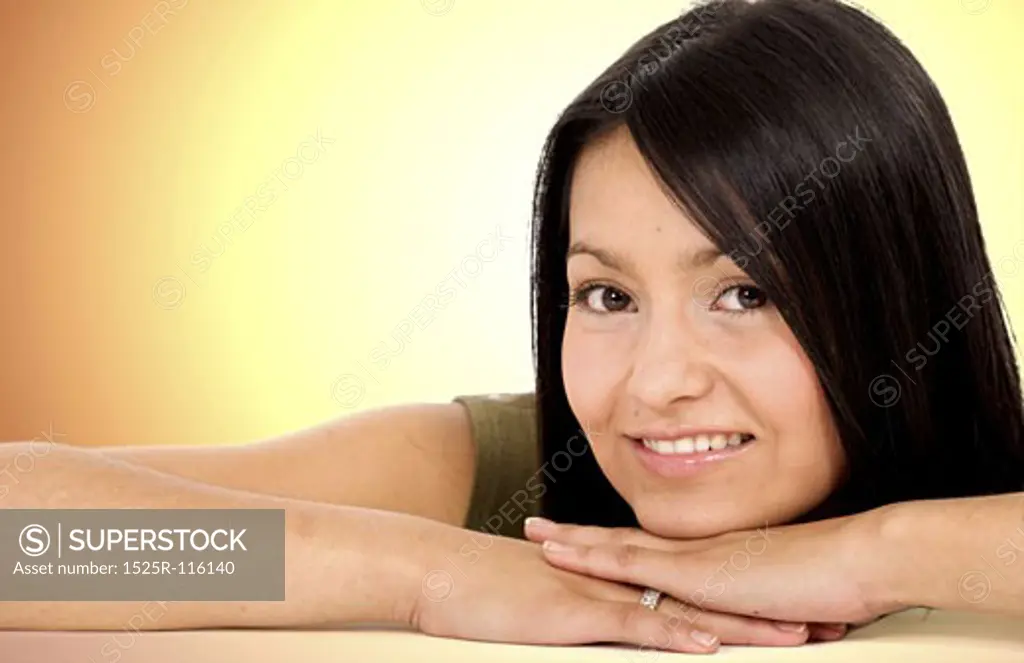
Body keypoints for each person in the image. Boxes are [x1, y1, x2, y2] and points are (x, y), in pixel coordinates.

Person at [2, 0, 1023, 654]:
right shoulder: (505, 477)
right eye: (607, 297)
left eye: (746, 293)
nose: (657, 382)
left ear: (898, 295)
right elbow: (23, 539)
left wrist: (878, 553)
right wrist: (426, 575)